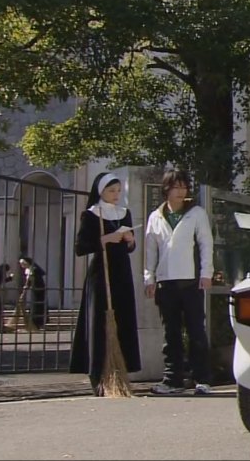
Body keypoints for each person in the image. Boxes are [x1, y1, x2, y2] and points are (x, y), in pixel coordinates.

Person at [69, 172, 142, 396]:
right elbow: (81, 247)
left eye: (118, 191)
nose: (116, 195)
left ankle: (120, 372)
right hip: (102, 274)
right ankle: (97, 374)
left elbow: (130, 248)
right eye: (111, 191)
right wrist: (104, 240)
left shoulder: (124, 214)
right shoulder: (91, 215)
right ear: (100, 191)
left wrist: (130, 241)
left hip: (121, 274)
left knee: (122, 320)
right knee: (100, 323)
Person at [144, 169, 214, 395]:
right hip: (166, 282)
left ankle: (201, 378)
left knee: (196, 331)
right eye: (176, 187)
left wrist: (207, 273)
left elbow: (205, 243)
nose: (180, 192)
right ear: (166, 189)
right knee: (171, 333)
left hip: (191, 281)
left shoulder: (196, 213)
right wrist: (149, 277)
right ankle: (172, 380)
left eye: (184, 187)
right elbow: (150, 249)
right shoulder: (155, 216)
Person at [19, 256, 47, 330]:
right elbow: (28, 282)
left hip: (39, 290)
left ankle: (38, 323)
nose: (22, 265)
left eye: (23, 263)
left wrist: (26, 288)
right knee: (34, 305)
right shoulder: (28, 270)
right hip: (34, 290)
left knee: (38, 306)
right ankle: (34, 322)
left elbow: (31, 281)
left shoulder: (33, 269)